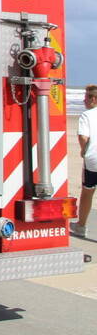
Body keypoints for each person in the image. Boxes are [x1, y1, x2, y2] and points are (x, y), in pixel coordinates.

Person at [70, 84, 97, 238]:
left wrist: (83, 150)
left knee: (87, 192)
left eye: (86, 97)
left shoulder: (87, 115)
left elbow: (83, 137)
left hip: (93, 161)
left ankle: (81, 226)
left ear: (93, 99)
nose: (83, 100)